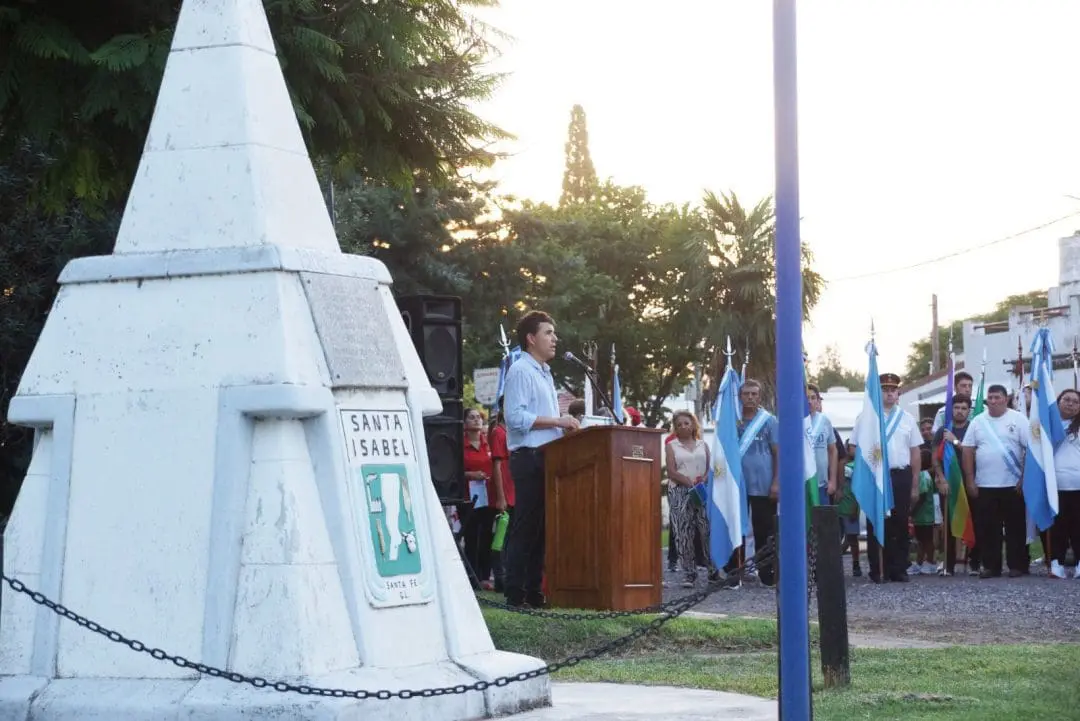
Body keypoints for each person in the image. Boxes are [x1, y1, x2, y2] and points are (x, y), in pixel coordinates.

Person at [501, 310, 580, 608]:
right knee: (526, 526)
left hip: (547, 457)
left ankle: (535, 591)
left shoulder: (544, 372)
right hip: (529, 457)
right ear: (531, 338)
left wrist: (565, 430)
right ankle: (515, 592)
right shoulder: (521, 370)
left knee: (541, 529)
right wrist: (559, 422)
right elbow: (516, 417)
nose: (555, 338)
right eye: (548, 332)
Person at [858, 372, 921, 583]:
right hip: (876, 476)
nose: (889, 394)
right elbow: (854, 448)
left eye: (892, 390)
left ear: (899, 393)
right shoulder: (867, 418)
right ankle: (878, 568)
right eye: (884, 390)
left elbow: (915, 452)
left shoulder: (907, 419)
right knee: (876, 521)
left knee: (900, 522)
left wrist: (914, 484)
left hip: (900, 475)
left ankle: (899, 568)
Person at [961, 384, 1029, 578]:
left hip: (1013, 484)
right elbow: (967, 450)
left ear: (1006, 399)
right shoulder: (978, 421)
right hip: (985, 484)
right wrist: (970, 480)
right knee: (988, 527)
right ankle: (991, 566)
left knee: (1015, 526)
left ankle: (1017, 565)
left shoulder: (1018, 419)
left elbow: (1030, 450)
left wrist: (1024, 478)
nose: (992, 401)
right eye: (990, 398)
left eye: (997, 397)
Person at [729, 379, 779, 587]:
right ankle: (734, 573)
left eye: (754, 394)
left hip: (763, 485)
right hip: (736, 486)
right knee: (735, 529)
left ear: (760, 397)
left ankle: (766, 573)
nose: (750, 397)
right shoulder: (733, 421)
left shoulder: (769, 421)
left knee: (764, 530)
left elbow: (778, 454)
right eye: (746, 394)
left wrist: (776, 483)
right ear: (740, 396)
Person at [664, 410, 713, 587]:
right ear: (675, 428)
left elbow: (709, 468)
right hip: (680, 491)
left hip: (701, 490)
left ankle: (712, 570)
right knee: (683, 532)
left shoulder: (703, 445)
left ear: (693, 424)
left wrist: (704, 478)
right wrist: (687, 481)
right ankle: (689, 573)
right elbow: (671, 471)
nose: (683, 426)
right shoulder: (672, 446)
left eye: (686, 423)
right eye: (679, 425)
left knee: (706, 529)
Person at [931, 393, 976, 576]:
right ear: (951, 410)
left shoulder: (974, 428)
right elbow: (934, 458)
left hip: (969, 480)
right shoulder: (942, 430)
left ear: (968, 411)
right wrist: (941, 478)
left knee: (974, 521)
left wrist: (955, 441)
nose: (959, 411)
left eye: (964, 408)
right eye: (956, 408)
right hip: (949, 482)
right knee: (948, 524)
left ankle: (974, 563)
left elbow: (972, 452)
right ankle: (948, 565)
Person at [462, 407, 495, 589]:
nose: (477, 420)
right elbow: (455, 471)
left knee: (487, 535)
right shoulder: (461, 445)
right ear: (465, 423)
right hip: (469, 497)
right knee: (471, 536)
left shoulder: (487, 443)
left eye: (479, 418)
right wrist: (471, 474)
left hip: (488, 496)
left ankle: (484, 576)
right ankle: (472, 576)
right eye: (472, 418)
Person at [1050, 388, 1080, 579]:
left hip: (1078, 484)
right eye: (1066, 399)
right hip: (1055, 485)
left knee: (1078, 526)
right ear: (1058, 401)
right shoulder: (1048, 425)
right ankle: (1056, 563)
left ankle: (1078, 563)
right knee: (1058, 527)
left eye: (1075, 401)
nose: (1070, 403)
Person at [488, 397, 515, 592]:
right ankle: (500, 577)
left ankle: (507, 576)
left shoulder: (511, 432)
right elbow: (497, 464)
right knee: (501, 538)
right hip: (505, 490)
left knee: (510, 537)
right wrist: (501, 496)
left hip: (515, 489)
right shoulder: (499, 432)